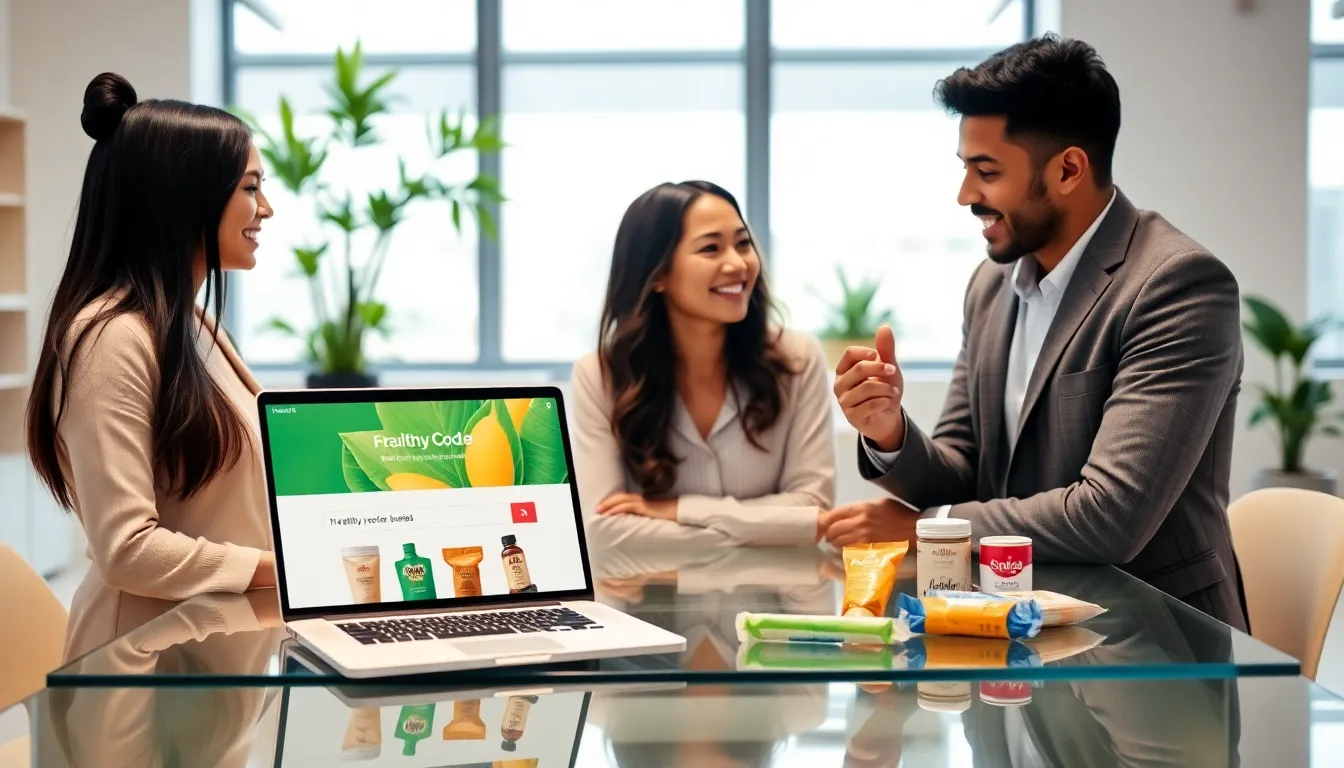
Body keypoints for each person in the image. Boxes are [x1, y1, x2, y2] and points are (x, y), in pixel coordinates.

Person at [827, 35, 1249, 630]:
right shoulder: (991, 286)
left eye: (987, 171)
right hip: (1009, 624)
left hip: (1153, 648)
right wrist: (887, 430)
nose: (965, 194)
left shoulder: (1176, 285)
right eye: (965, 169)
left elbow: (1110, 516)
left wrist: (931, 527)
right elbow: (963, 467)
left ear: (1069, 169)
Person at [26, 72, 276, 659]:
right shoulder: (112, 338)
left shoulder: (190, 322)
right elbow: (127, 549)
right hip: (140, 667)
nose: (265, 208)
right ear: (184, 197)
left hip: (207, 644)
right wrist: (284, 570)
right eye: (249, 187)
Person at [571, 180, 835, 547]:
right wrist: (766, 526)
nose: (738, 263)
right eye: (711, 248)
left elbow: (813, 513)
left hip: (775, 604)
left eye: (743, 243)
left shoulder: (797, 360)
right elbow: (606, 530)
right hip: (643, 602)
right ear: (658, 274)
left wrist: (678, 510)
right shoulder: (600, 376)